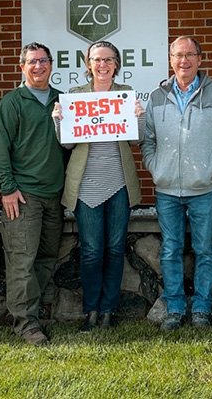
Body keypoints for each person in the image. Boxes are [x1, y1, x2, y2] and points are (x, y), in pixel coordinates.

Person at [141, 36, 212, 331]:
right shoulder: (157, 96)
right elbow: (148, 141)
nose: (184, 61)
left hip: (203, 189)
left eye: (190, 55)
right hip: (166, 189)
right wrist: (157, 169)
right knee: (170, 249)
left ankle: (202, 309)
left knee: (205, 249)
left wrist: (210, 170)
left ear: (200, 59)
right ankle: (175, 307)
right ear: (171, 60)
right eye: (178, 55)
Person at [51, 41, 144, 332]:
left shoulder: (125, 95)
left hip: (119, 182)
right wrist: (58, 122)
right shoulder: (74, 96)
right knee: (91, 251)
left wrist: (139, 118)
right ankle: (91, 310)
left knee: (115, 249)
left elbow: (134, 140)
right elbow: (67, 142)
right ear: (88, 64)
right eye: (96, 60)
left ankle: (108, 310)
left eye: (108, 60)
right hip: (86, 184)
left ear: (116, 63)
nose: (102, 65)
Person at [0, 42, 65, 346]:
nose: (38, 66)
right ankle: (25, 324)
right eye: (32, 62)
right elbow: (0, 149)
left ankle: (31, 312)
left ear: (51, 64)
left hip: (55, 194)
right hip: (24, 195)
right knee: (22, 260)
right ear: (22, 66)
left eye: (44, 60)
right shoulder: (13, 102)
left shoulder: (63, 101)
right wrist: (7, 188)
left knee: (46, 257)